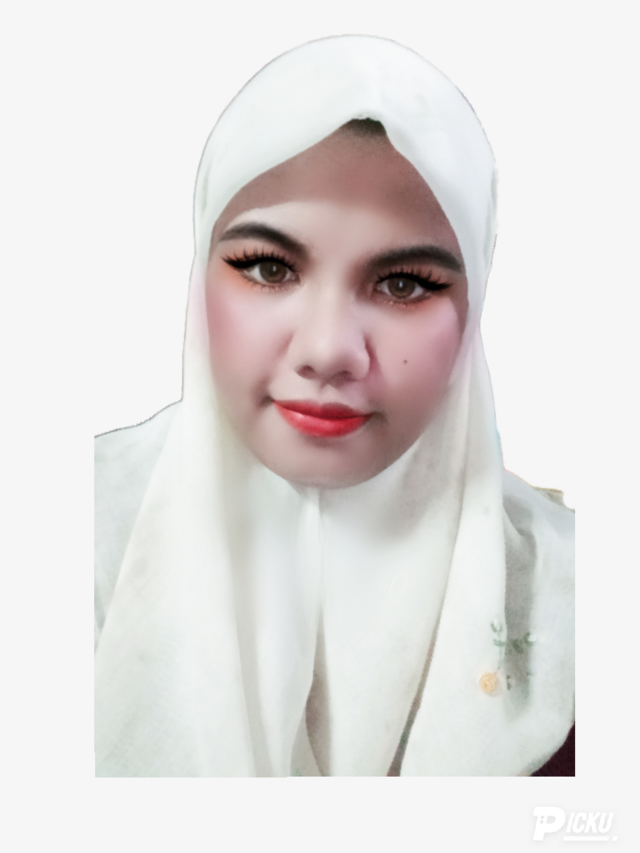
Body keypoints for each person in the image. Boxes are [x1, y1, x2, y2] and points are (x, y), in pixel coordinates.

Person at [94, 35, 574, 777]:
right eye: (267, 267)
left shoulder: (576, 597)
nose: (327, 350)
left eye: (405, 284)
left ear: (475, 308)